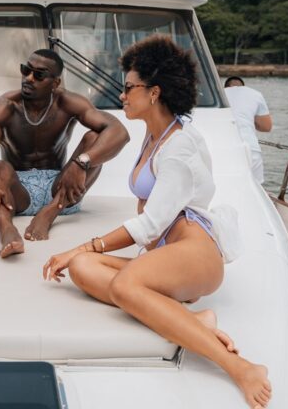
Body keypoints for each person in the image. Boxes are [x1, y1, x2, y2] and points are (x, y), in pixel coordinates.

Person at [41, 36, 270, 409]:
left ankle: (240, 367)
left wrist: (81, 245)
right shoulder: (155, 134)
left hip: (195, 253)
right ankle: (193, 318)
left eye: (129, 88)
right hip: (168, 254)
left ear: (154, 93)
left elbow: (150, 225)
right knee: (83, 270)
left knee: (122, 284)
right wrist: (82, 255)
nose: (123, 95)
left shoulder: (177, 147)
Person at [0, 49, 129, 258]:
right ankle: (7, 229)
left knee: (94, 139)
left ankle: (51, 211)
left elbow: (120, 132)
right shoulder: (4, 107)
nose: (28, 78)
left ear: (55, 83)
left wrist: (81, 163)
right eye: (26, 70)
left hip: (61, 187)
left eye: (39, 74)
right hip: (17, 193)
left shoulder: (67, 102)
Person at [224, 76, 273, 183]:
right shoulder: (255, 94)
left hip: (222, 149)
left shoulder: (218, 95)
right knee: (255, 188)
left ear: (225, 86)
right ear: (243, 86)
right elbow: (266, 127)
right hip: (251, 149)